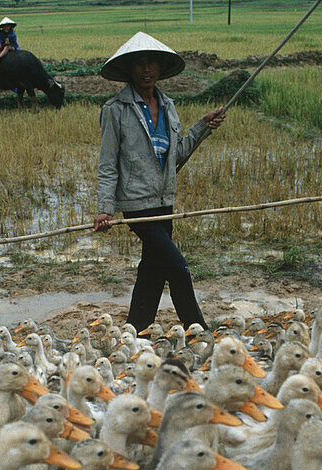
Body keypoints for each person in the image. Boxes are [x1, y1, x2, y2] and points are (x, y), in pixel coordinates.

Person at [92, 32, 225, 333]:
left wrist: (203, 127)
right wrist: (105, 209)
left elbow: (176, 155)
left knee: (152, 269)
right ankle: (198, 330)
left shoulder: (168, 107)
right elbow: (108, 164)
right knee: (177, 266)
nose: (147, 70)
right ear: (130, 70)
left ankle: (136, 328)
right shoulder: (115, 110)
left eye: (152, 64)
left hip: (165, 202)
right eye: (139, 64)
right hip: (138, 206)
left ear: (160, 69)